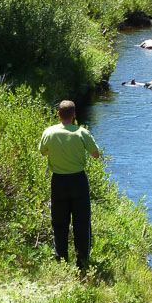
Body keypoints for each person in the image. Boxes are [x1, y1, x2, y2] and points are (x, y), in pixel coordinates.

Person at [39, 100, 100, 270]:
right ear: (74, 115)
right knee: (82, 223)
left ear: (58, 114)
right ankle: (82, 264)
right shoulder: (82, 133)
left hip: (58, 181)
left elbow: (43, 152)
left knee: (59, 223)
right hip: (78, 181)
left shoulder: (49, 132)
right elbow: (96, 154)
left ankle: (62, 262)